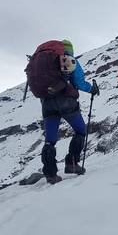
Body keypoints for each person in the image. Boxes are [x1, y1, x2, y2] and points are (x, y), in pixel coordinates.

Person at [40, 39, 99, 184]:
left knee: (50, 141)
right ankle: (72, 163)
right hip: (66, 101)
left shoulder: (45, 63)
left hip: (47, 103)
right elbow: (78, 83)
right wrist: (92, 89)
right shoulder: (70, 60)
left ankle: (50, 174)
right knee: (80, 130)